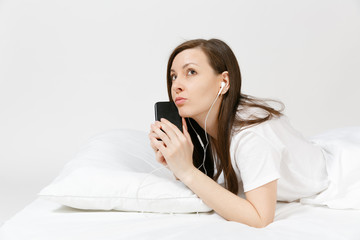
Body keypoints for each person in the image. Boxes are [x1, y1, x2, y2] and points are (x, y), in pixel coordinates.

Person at [148, 38, 330, 228]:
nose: (176, 85)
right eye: (174, 76)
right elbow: (209, 180)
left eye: (191, 72)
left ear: (224, 81)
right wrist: (177, 163)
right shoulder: (208, 124)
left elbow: (260, 218)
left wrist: (186, 171)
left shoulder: (252, 134)